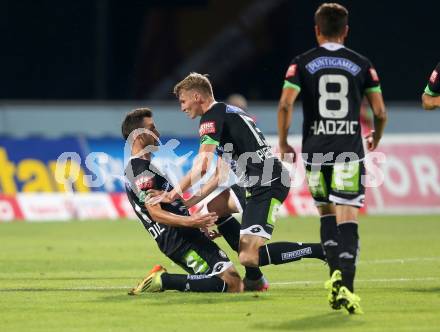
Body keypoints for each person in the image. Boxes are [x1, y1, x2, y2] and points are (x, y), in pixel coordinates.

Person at [159, 72, 325, 280]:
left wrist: (173, 195)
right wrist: (188, 204)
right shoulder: (227, 113)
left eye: (183, 101)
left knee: (249, 256)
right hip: (256, 182)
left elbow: (202, 166)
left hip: (266, 184)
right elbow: (218, 176)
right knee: (214, 209)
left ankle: (320, 250)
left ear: (196, 97)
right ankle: (254, 280)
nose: (182, 107)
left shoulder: (210, 118)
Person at [277, 3, 387, 314]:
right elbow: (379, 111)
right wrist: (376, 135)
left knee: (326, 215)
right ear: (346, 30)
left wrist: (284, 140)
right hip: (349, 151)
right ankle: (347, 288)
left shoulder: (302, 63)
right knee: (348, 218)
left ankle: (334, 277)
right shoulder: (361, 63)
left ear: (317, 29)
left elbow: (286, 105)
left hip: (315, 151)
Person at [122, 108, 243, 294]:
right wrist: (191, 221)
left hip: (185, 234)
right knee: (233, 285)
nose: (158, 133)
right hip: (178, 241)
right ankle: (164, 280)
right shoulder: (139, 170)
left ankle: (164, 280)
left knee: (234, 283)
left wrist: (194, 223)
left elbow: (172, 205)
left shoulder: (146, 167)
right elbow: (156, 213)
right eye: (152, 128)